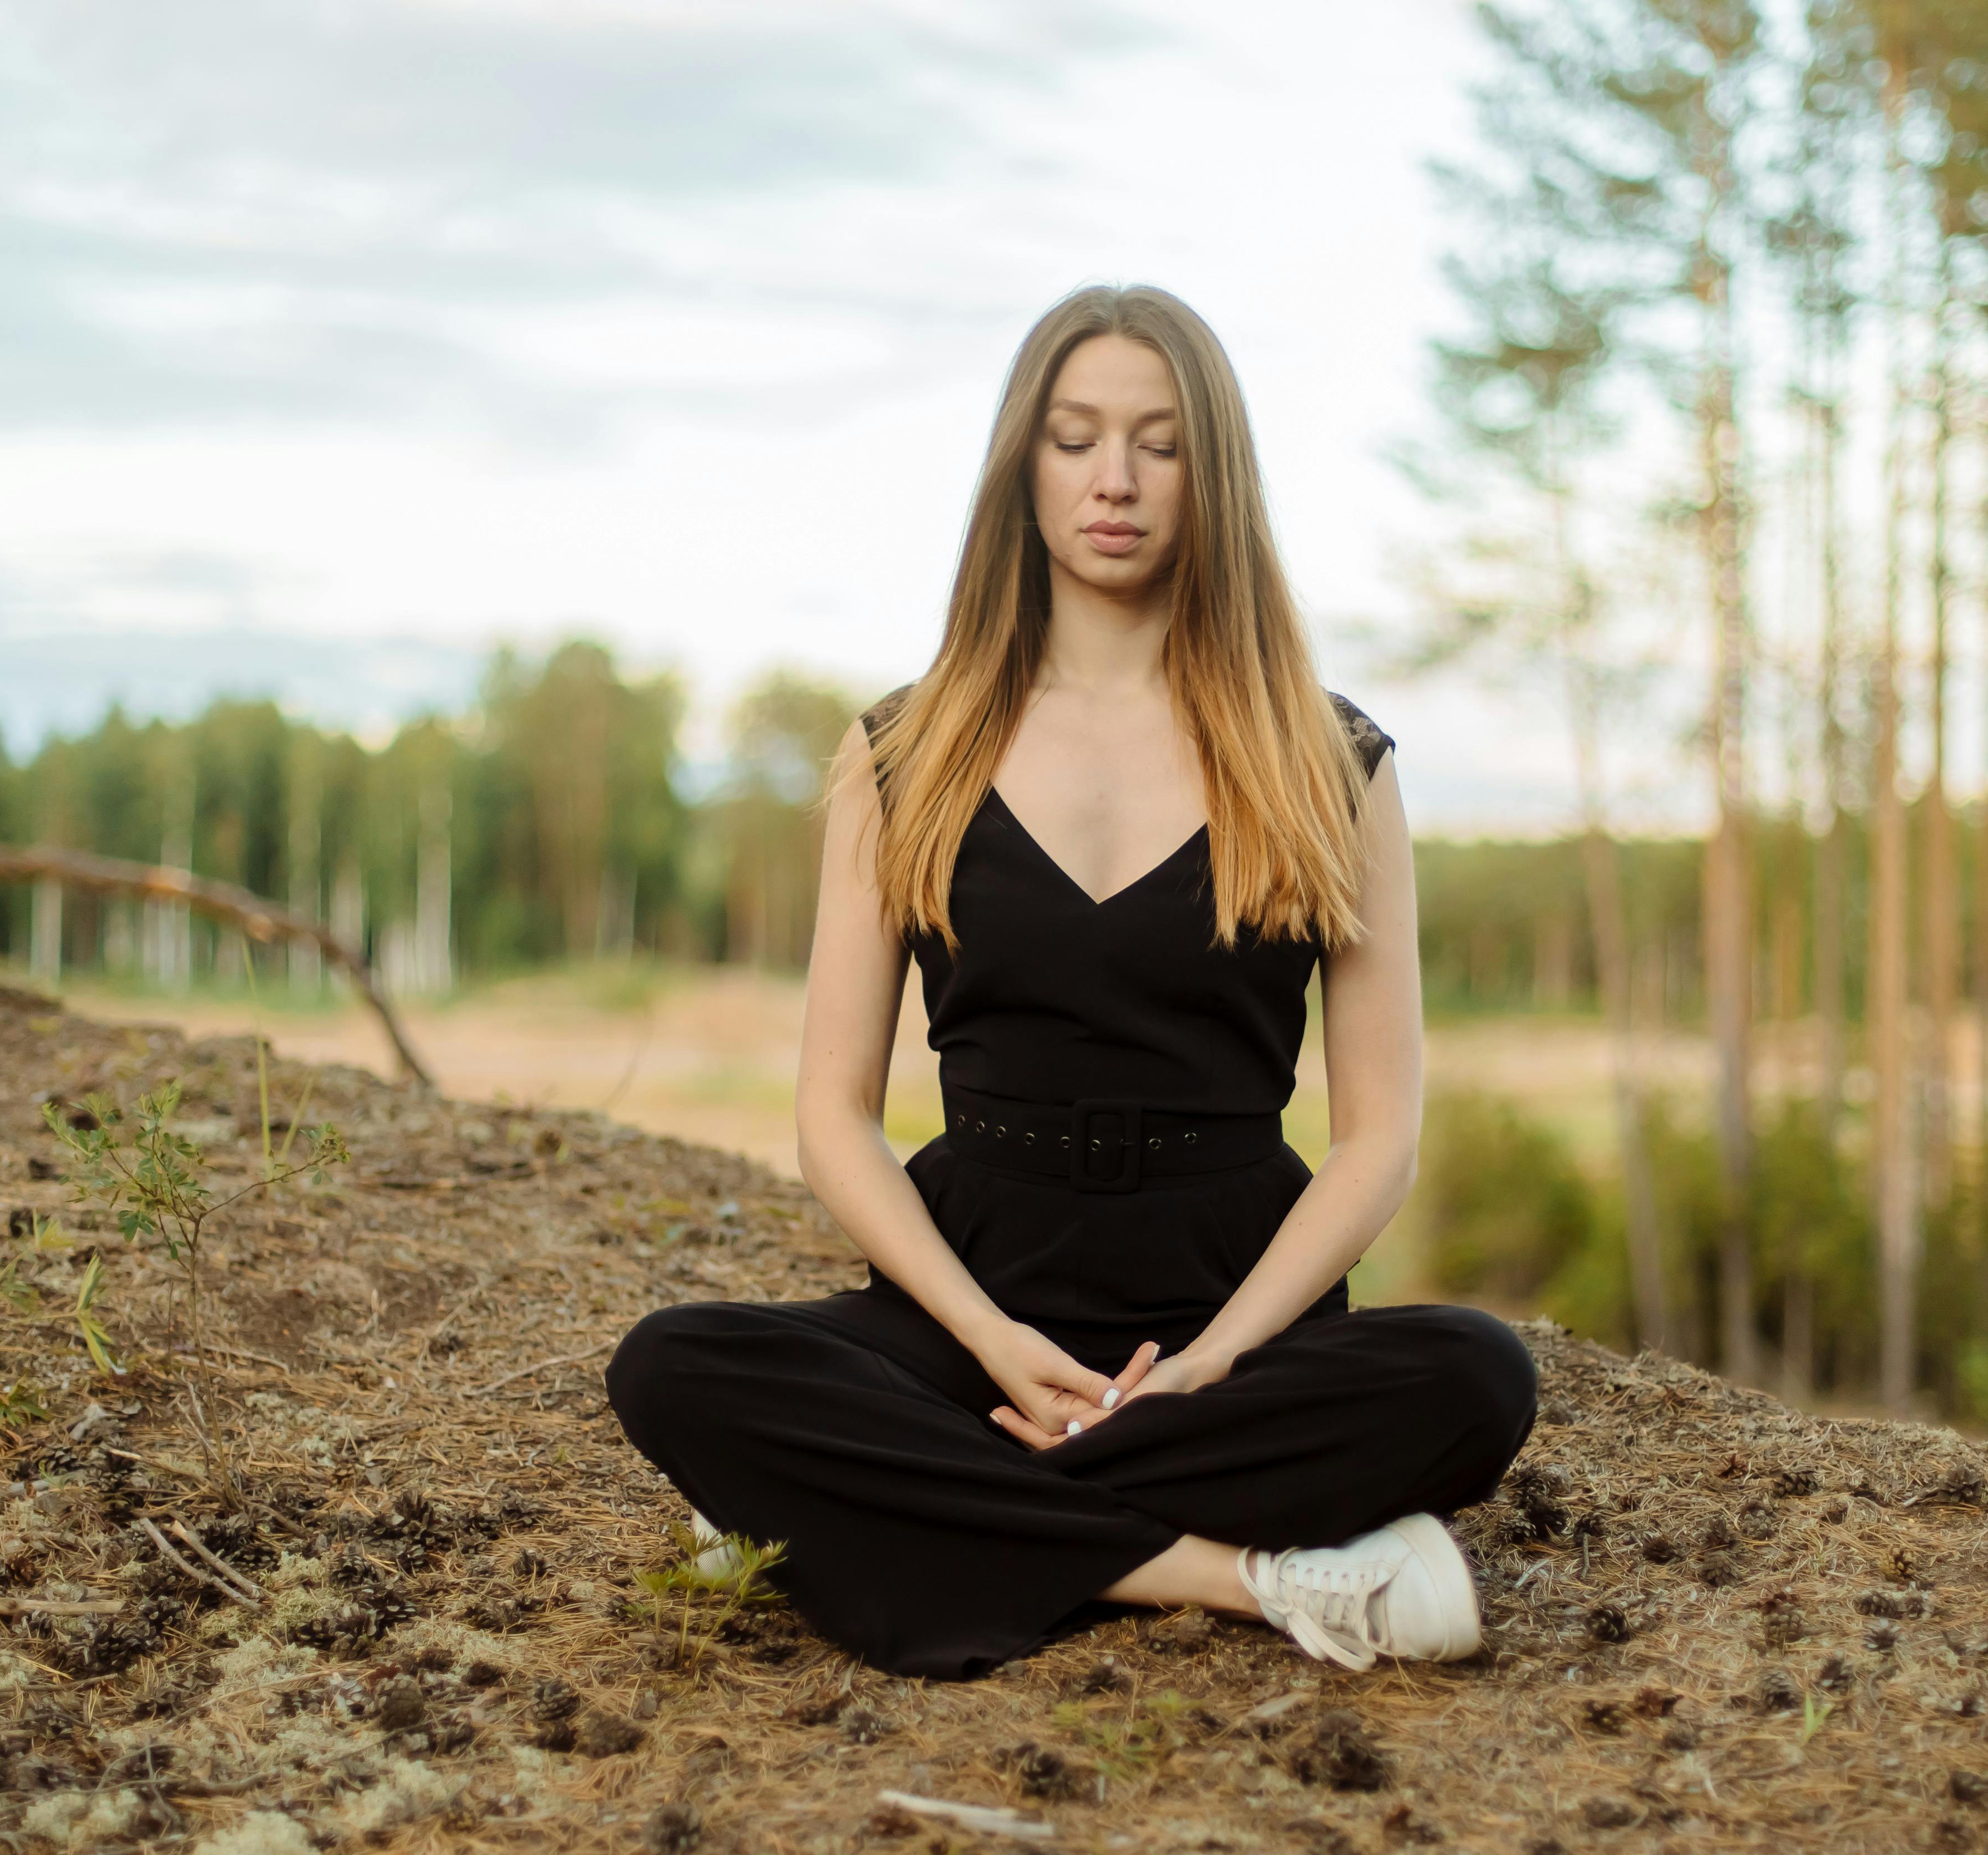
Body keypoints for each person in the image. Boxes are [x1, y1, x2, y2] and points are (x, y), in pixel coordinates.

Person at [604, 283, 1536, 1681]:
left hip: (1230, 1313)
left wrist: (1216, 1359)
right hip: (966, 1302)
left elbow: (1377, 1136)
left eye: (1160, 444)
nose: (1116, 479)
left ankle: (871, 1512)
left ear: (1210, 473)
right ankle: (1255, 1577)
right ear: (1020, 466)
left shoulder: (1332, 759)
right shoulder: (900, 752)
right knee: (676, 1365)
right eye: (1077, 437)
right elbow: (831, 1118)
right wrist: (988, 1344)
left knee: (1478, 1373)